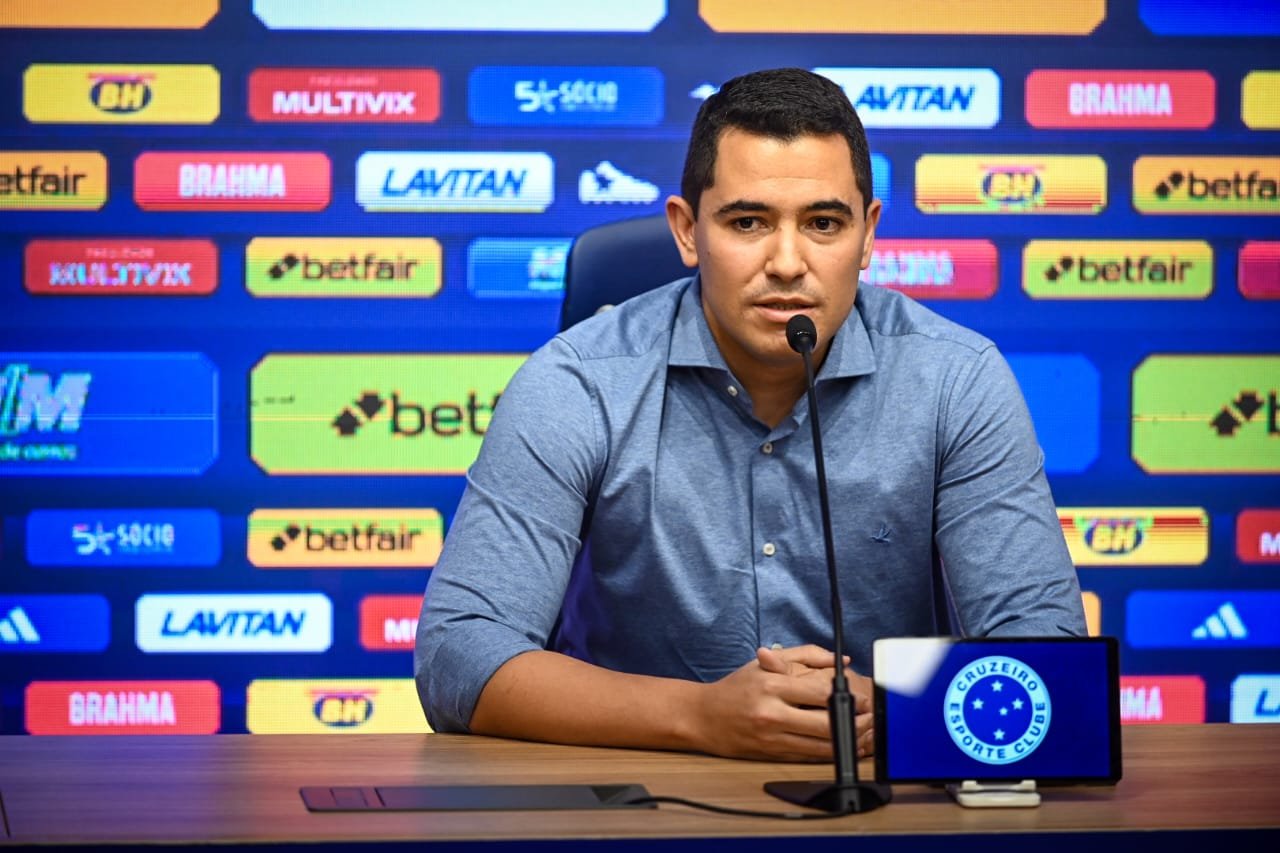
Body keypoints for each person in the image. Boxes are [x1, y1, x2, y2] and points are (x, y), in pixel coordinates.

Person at [415, 67, 1085, 762]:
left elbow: (1049, 660)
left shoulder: (955, 379)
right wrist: (699, 715)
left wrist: (892, 714)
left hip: (889, 804)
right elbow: (460, 654)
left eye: (824, 223)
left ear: (868, 234)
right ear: (687, 230)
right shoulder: (578, 382)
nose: (788, 262)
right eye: (748, 222)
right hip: (635, 805)